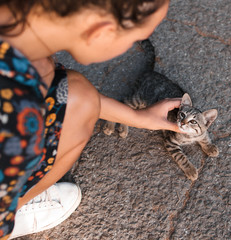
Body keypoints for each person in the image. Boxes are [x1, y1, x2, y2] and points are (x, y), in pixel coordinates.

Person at [0, 0, 180, 238]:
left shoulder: (18, 27)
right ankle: (9, 212)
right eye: (132, 40)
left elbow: (76, 95)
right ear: (101, 32)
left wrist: (137, 117)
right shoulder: (18, 117)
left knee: (80, 96)